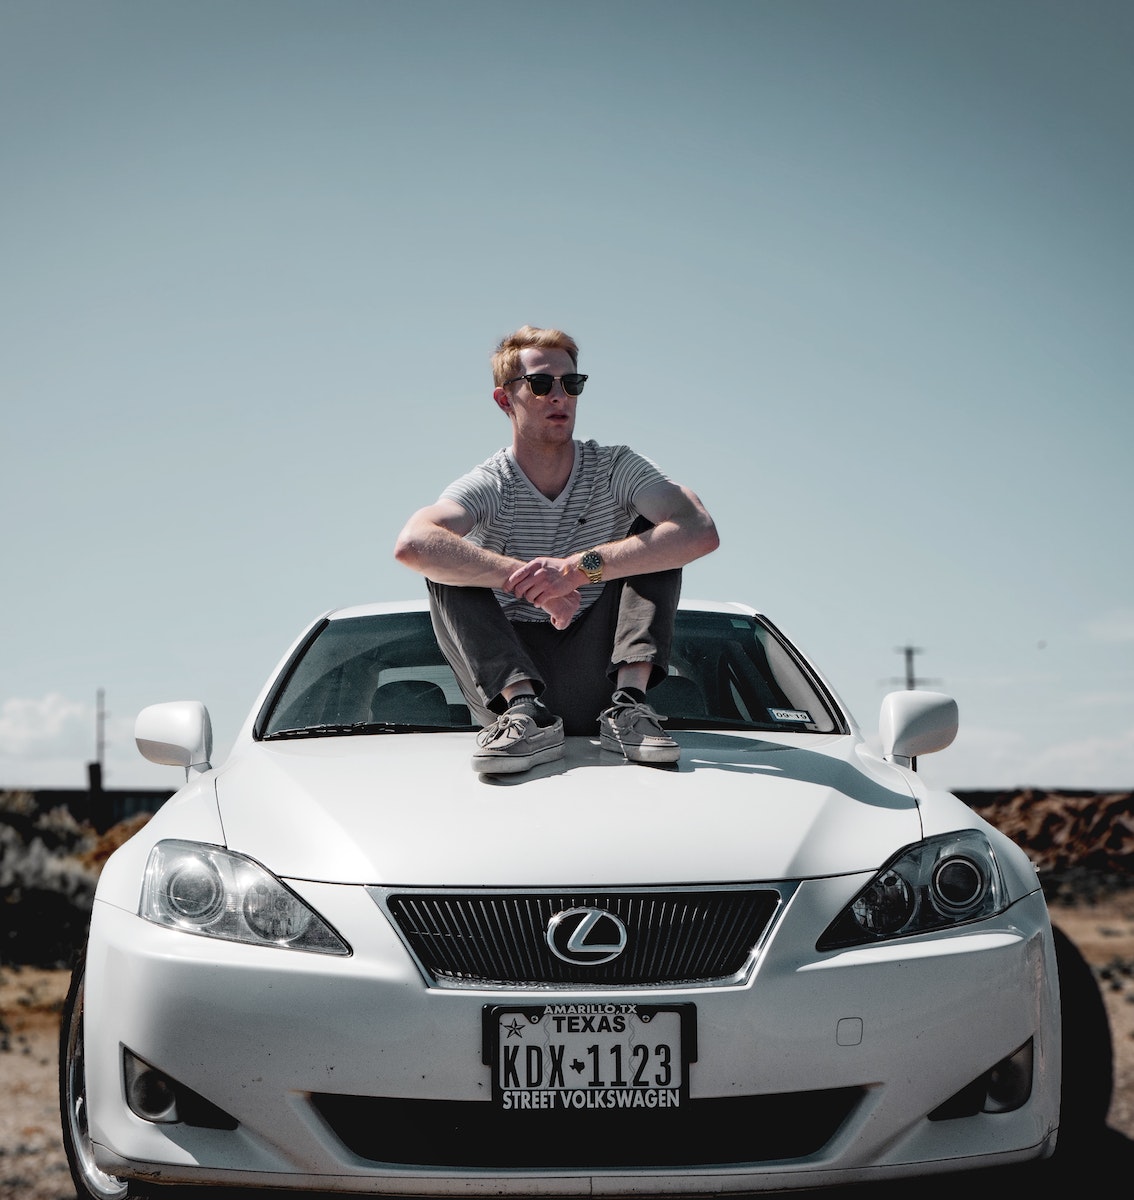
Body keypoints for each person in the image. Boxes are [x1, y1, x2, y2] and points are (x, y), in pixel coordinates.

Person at [394, 325, 719, 775]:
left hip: (600, 670)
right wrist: (530, 582)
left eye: (571, 384)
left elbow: (699, 530)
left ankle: (630, 706)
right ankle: (524, 710)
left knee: (660, 535)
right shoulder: (493, 483)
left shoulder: (614, 467)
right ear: (505, 399)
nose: (558, 396)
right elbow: (413, 543)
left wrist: (576, 570)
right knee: (446, 557)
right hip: (510, 680)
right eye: (541, 384)